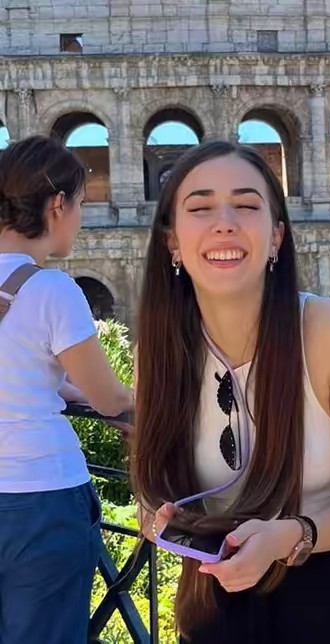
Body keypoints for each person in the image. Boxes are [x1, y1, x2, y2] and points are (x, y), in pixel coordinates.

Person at [132, 140, 330, 643]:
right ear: (171, 241)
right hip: (213, 601)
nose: (224, 223)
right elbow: (151, 497)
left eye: (247, 205)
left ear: (276, 236)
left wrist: (286, 536)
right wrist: (168, 522)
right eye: (200, 208)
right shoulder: (160, 355)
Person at [0, 135, 134, 643]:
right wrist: (138, 401)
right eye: (80, 203)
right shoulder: (52, 289)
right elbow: (108, 398)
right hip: (41, 499)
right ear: (57, 205)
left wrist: (60, 390)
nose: (80, 217)